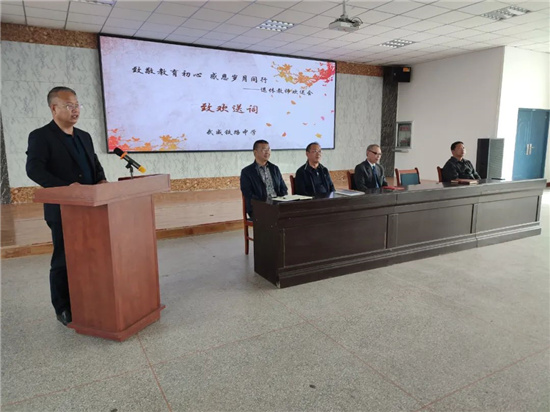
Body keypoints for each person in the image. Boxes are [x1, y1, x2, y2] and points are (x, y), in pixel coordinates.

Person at [26, 87, 107, 327]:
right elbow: (34, 170)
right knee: (64, 257)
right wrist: (66, 188)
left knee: (92, 255)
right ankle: (62, 307)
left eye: (77, 105)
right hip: (63, 209)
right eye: (69, 106)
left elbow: (94, 164)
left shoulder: (84, 136)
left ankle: (90, 296)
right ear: (54, 108)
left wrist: (102, 180)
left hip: (91, 207)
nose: (75, 110)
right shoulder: (41, 136)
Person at [240, 139, 288, 218]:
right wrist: (266, 202)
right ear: (255, 152)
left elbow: (283, 188)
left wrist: (281, 199)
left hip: (277, 205)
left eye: (268, 149)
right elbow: (248, 194)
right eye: (264, 150)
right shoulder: (247, 172)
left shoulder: (274, 168)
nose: (267, 152)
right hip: (259, 207)